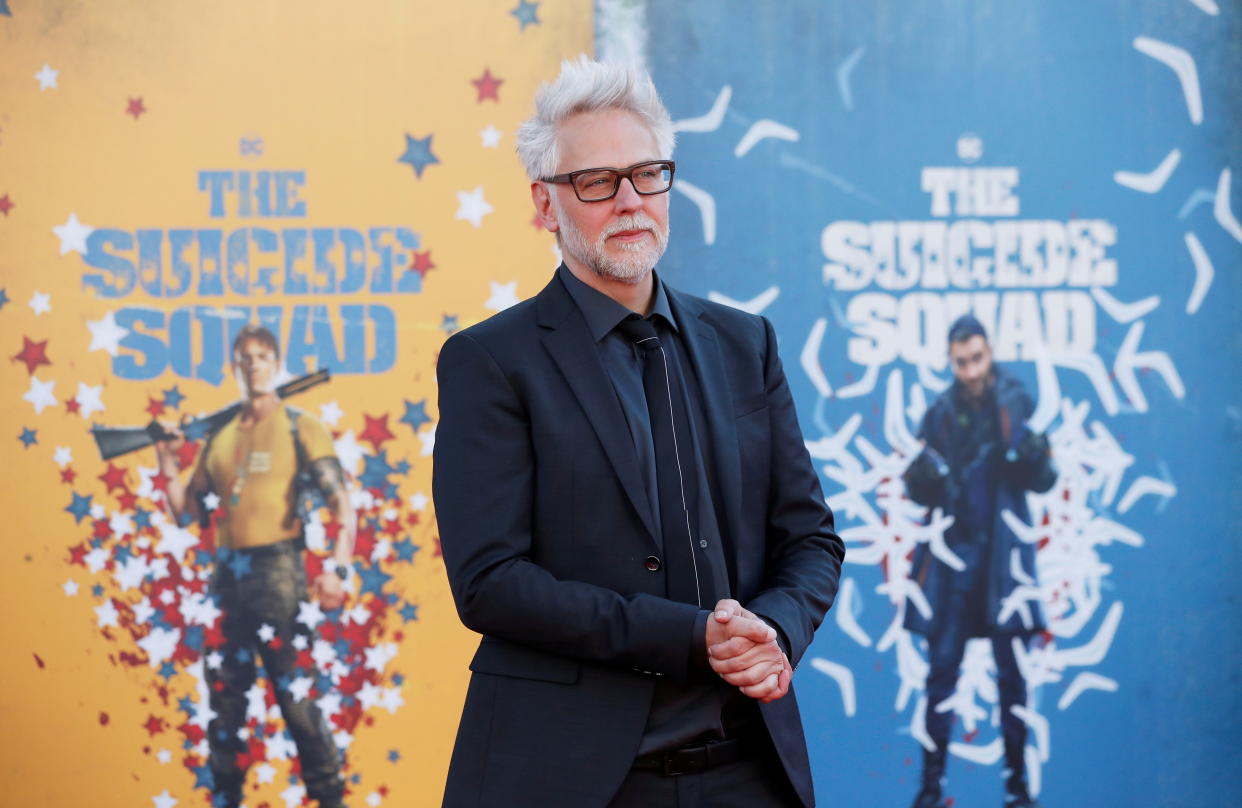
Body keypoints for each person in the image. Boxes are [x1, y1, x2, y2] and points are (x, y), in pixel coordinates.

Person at [432, 56, 845, 808]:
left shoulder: (744, 344)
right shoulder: (490, 362)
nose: (629, 200)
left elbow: (811, 542)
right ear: (545, 205)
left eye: (647, 173)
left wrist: (774, 634)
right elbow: (489, 583)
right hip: (573, 780)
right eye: (596, 181)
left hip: (748, 774)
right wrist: (690, 638)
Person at [155, 324, 356, 808]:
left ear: (276, 363)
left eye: (262, 356)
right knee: (225, 705)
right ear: (236, 368)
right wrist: (166, 458)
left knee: (298, 702)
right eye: (245, 358)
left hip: (280, 574)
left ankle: (331, 801)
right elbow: (185, 509)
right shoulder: (220, 438)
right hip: (228, 578)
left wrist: (339, 568)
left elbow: (343, 507)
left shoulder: (299, 426)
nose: (254, 365)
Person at [902, 314, 1056, 808]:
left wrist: (1035, 458)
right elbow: (918, 485)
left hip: (1003, 567)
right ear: (951, 361)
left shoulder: (1015, 403)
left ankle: (1018, 790)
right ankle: (930, 790)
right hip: (954, 568)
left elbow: (1043, 479)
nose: (969, 370)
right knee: (940, 678)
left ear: (989, 353)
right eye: (961, 361)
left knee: (1013, 681)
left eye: (976, 358)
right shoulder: (941, 413)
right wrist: (923, 476)